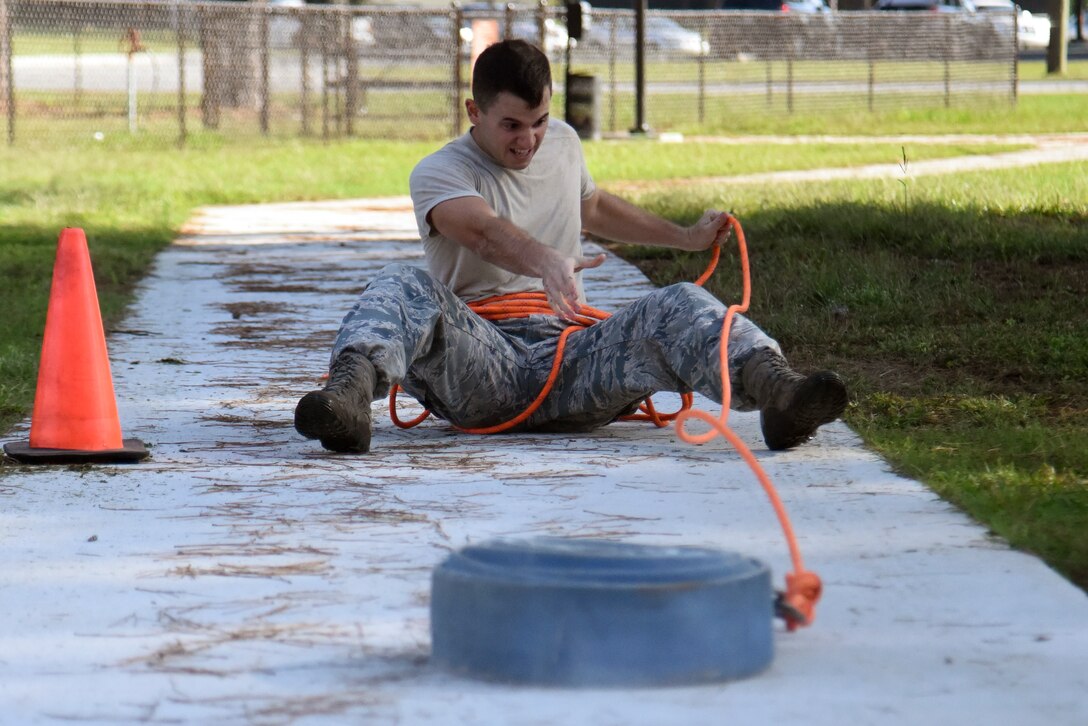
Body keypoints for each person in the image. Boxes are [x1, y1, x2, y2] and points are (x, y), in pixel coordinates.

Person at [294, 39, 847, 454]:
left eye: (538, 121)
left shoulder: (562, 143)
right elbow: (483, 230)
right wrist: (548, 262)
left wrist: (685, 239)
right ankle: (347, 401)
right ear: (473, 112)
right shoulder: (439, 172)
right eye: (511, 125)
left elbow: (594, 207)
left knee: (678, 301)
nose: (528, 140)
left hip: (572, 360)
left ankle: (779, 395)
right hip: (485, 365)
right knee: (402, 284)